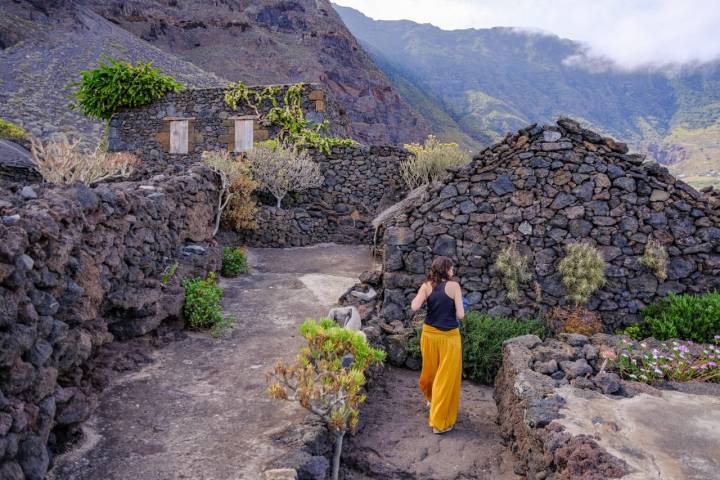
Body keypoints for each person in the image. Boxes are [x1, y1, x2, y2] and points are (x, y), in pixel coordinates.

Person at [410, 256, 464, 434]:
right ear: (446, 269)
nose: (453, 271)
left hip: (429, 335)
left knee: (430, 372)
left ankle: (431, 399)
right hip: (449, 338)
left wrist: (423, 297)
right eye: (451, 268)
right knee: (445, 378)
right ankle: (439, 423)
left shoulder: (427, 285)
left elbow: (414, 306)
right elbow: (461, 315)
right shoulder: (454, 286)